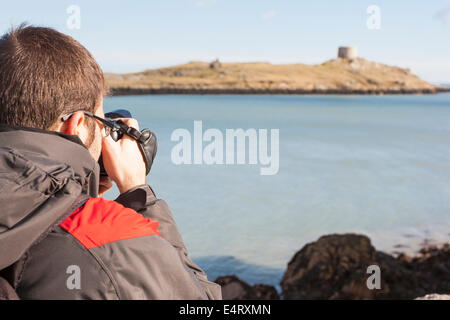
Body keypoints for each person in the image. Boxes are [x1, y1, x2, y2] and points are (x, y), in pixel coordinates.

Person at [0, 25, 221, 300]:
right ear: (77, 126)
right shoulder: (110, 245)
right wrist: (138, 194)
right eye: (101, 120)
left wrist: (70, 196)